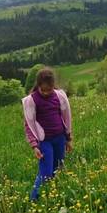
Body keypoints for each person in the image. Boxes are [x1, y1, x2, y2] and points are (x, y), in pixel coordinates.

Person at [22, 68, 73, 201]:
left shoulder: (59, 96)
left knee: (58, 167)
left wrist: (68, 138)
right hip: (44, 142)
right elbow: (28, 124)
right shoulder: (32, 101)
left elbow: (66, 118)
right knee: (45, 171)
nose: (45, 93)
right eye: (42, 90)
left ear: (53, 86)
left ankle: (51, 197)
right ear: (38, 85)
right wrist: (34, 146)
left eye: (48, 90)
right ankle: (35, 199)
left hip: (59, 138)